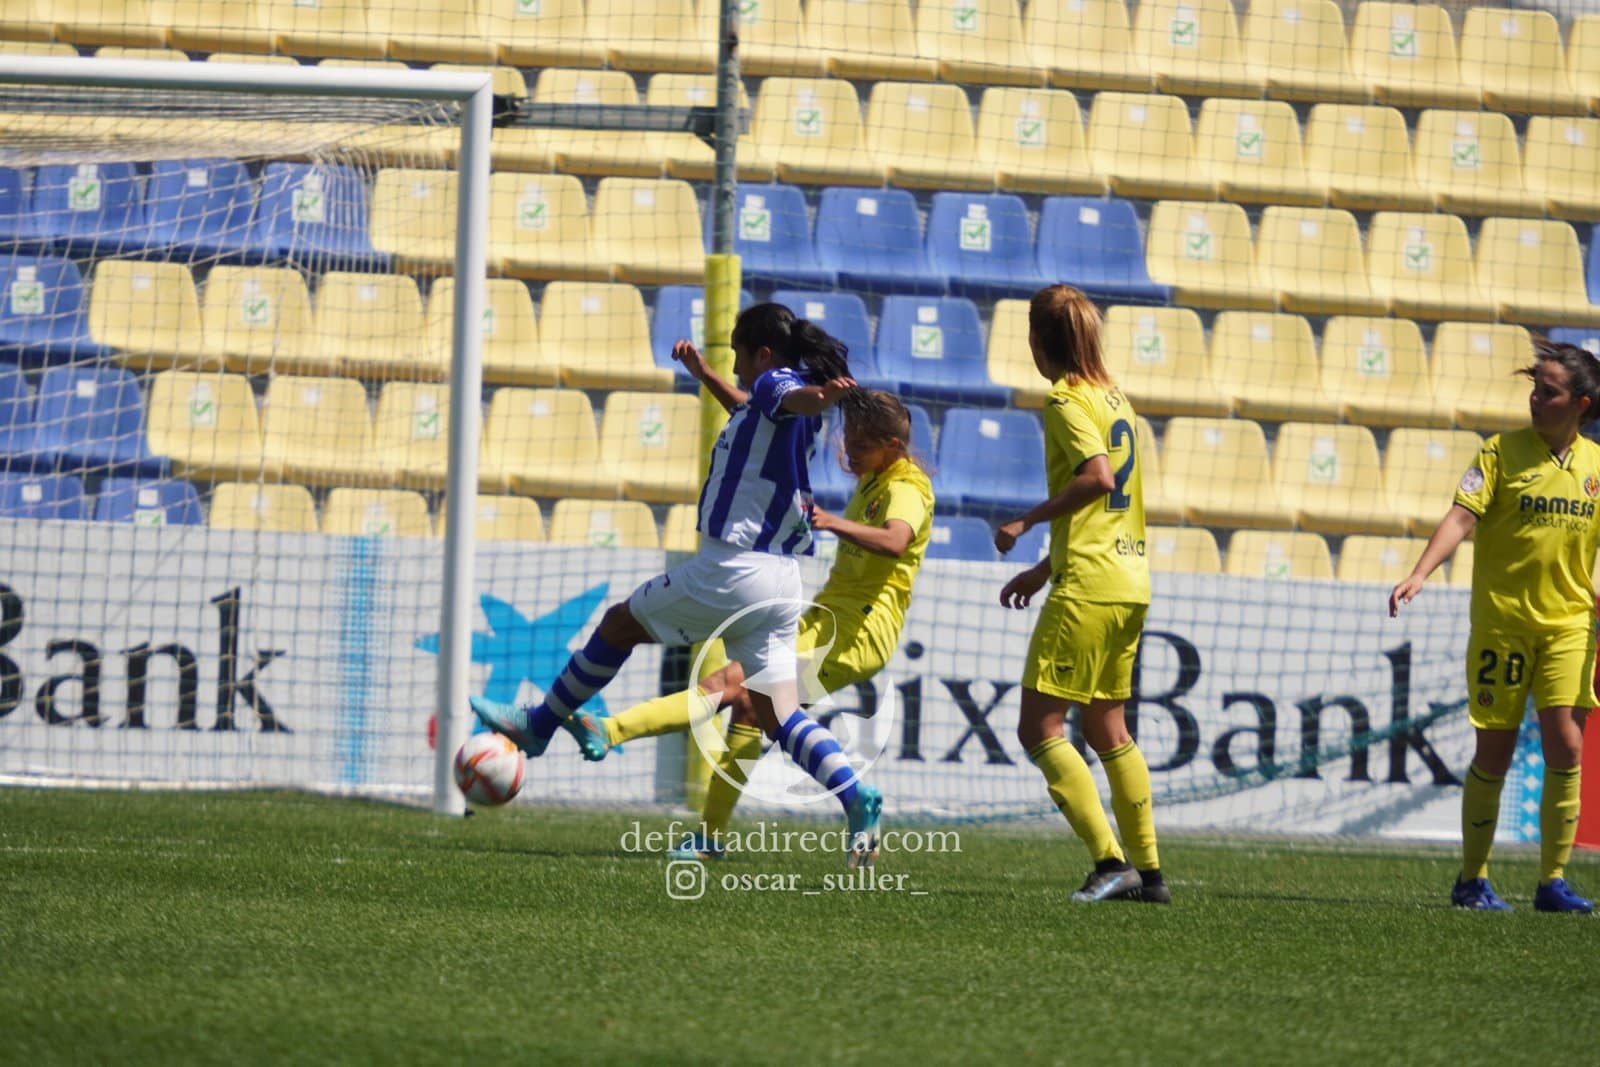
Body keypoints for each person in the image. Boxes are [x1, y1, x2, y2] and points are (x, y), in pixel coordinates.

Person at [471, 303, 887, 867]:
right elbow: (754, 407)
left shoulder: (781, 384)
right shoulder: (767, 405)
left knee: (620, 624)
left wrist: (826, 396)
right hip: (781, 579)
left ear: (763, 354)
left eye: (738, 355)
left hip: (732, 569)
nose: (738, 367)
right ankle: (856, 796)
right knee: (780, 715)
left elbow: (793, 396)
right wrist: (707, 376)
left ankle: (539, 725)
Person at [576, 390, 934, 864]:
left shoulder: (906, 486)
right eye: (845, 441)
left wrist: (829, 522)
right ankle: (710, 836)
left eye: (859, 446)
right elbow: (769, 413)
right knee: (748, 710)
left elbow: (895, 540)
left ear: (891, 445)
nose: (847, 454)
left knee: (730, 686)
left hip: (860, 632)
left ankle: (611, 731)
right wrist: (707, 376)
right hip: (829, 619)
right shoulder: (877, 473)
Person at [1390, 337, 1599, 914]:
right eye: (1534, 388)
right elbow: (1461, 516)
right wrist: (1420, 572)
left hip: (1569, 627)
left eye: (1548, 392)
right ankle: (1472, 879)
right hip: (1503, 625)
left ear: (1580, 404)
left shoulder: (1596, 468)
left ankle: (1552, 881)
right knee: (1495, 753)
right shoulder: (1500, 453)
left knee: (1567, 745)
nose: (1536, 399)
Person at [993, 284, 1166, 904]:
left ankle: (1109, 861)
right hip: (1128, 580)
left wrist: (1026, 521)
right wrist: (1044, 568)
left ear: (1041, 342)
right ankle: (1149, 874)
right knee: (1108, 728)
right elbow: (1109, 505)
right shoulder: (1117, 399)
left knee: (1038, 727)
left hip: (1090, 587)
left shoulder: (1066, 398)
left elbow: (1097, 479)